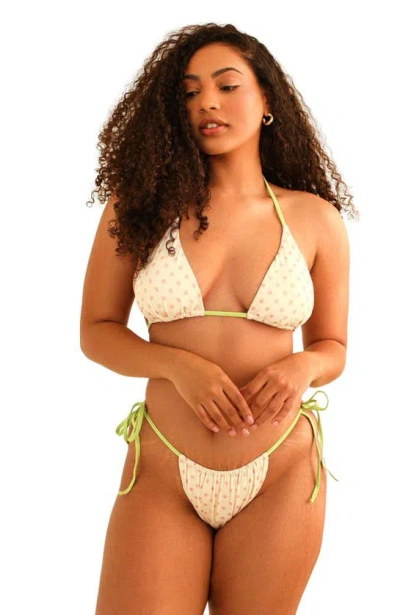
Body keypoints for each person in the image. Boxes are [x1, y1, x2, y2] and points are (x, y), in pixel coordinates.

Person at [80, 22, 357, 615]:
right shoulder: (137, 208)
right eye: (189, 93)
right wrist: (179, 367)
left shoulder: (315, 219)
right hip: (162, 468)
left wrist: (303, 367)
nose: (207, 102)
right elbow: (96, 332)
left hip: (281, 470)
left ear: (267, 101)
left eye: (227, 86)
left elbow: (333, 345)